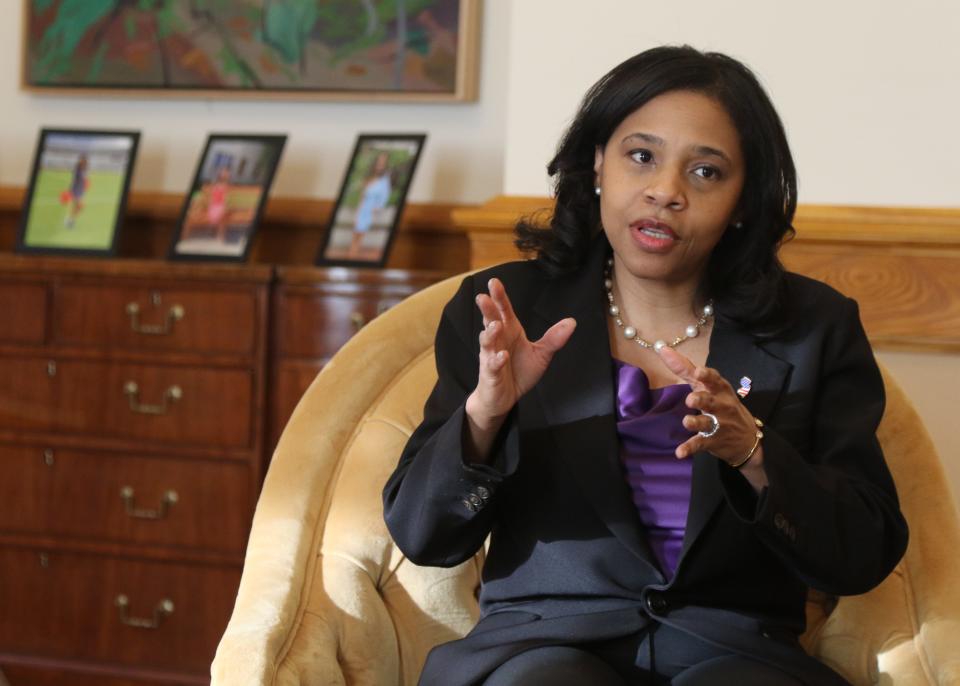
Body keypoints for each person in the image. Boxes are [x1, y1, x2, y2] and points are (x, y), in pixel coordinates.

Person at [382, 45, 909, 686]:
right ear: (598, 162)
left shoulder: (813, 329)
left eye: (707, 172)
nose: (666, 191)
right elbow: (424, 535)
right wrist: (486, 415)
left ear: (744, 200)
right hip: (543, 650)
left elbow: (861, 554)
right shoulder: (505, 310)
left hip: (734, 655)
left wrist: (754, 452)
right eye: (641, 156)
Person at [348, 151, 392, 258]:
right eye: (379, 161)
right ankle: (352, 252)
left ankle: (354, 252)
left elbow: (385, 195)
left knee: (361, 230)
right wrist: (359, 209)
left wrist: (377, 207)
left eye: (383, 162)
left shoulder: (385, 179)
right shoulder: (369, 176)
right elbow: (362, 194)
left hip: (371, 208)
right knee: (356, 229)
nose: (380, 164)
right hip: (363, 205)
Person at [63, 154, 88, 229]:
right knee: (79, 205)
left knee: (78, 207)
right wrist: (71, 190)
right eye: (82, 161)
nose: (84, 162)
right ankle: (69, 221)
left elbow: (83, 180)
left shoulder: (84, 169)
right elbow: (74, 180)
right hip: (76, 190)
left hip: (80, 190)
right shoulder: (78, 169)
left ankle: (70, 220)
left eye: (84, 161)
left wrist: (84, 187)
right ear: (80, 161)